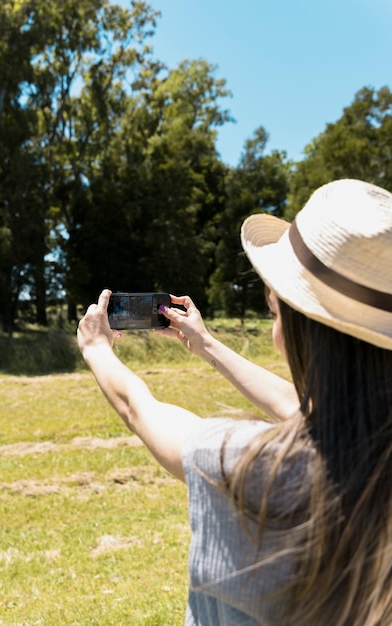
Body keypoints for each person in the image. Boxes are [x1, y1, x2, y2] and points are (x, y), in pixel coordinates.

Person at [77, 178, 392, 626]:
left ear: (294, 334)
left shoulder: (253, 466)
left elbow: (139, 410)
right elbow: (305, 408)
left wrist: (96, 349)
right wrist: (207, 346)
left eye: (275, 313)